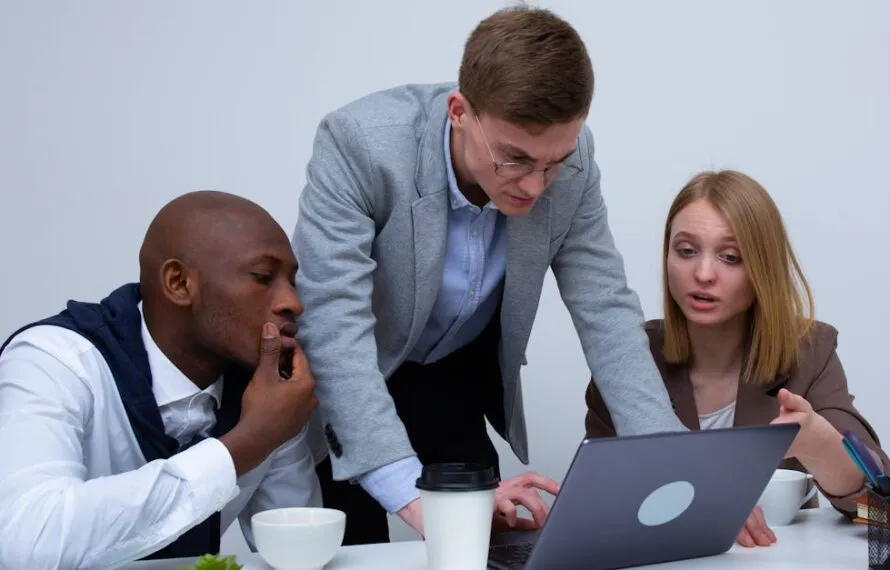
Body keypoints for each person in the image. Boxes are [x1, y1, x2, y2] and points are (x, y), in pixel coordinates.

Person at [291, 5, 685, 544]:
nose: (535, 186)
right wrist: (415, 500)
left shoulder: (572, 158)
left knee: (483, 545)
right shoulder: (360, 143)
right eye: (514, 159)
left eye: (554, 162)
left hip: (453, 375)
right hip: (353, 374)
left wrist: (674, 464)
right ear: (459, 111)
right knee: (352, 550)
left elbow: (606, 309)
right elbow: (333, 324)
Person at [0, 191, 321, 569]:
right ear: (179, 283)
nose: (293, 303)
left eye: (292, 282)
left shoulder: (268, 388)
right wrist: (248, 444)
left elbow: (298, 551)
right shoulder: (54, 362)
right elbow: (26, 544)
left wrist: (269, 433)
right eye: (264, 277)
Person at [585, 169, 889, 547]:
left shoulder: (810, 351)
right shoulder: (627, 358)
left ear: (763, 268)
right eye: (686, 251)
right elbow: (595, 503)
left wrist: (820, 445)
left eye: (730, 257)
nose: (703, 274)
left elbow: (879, 509)